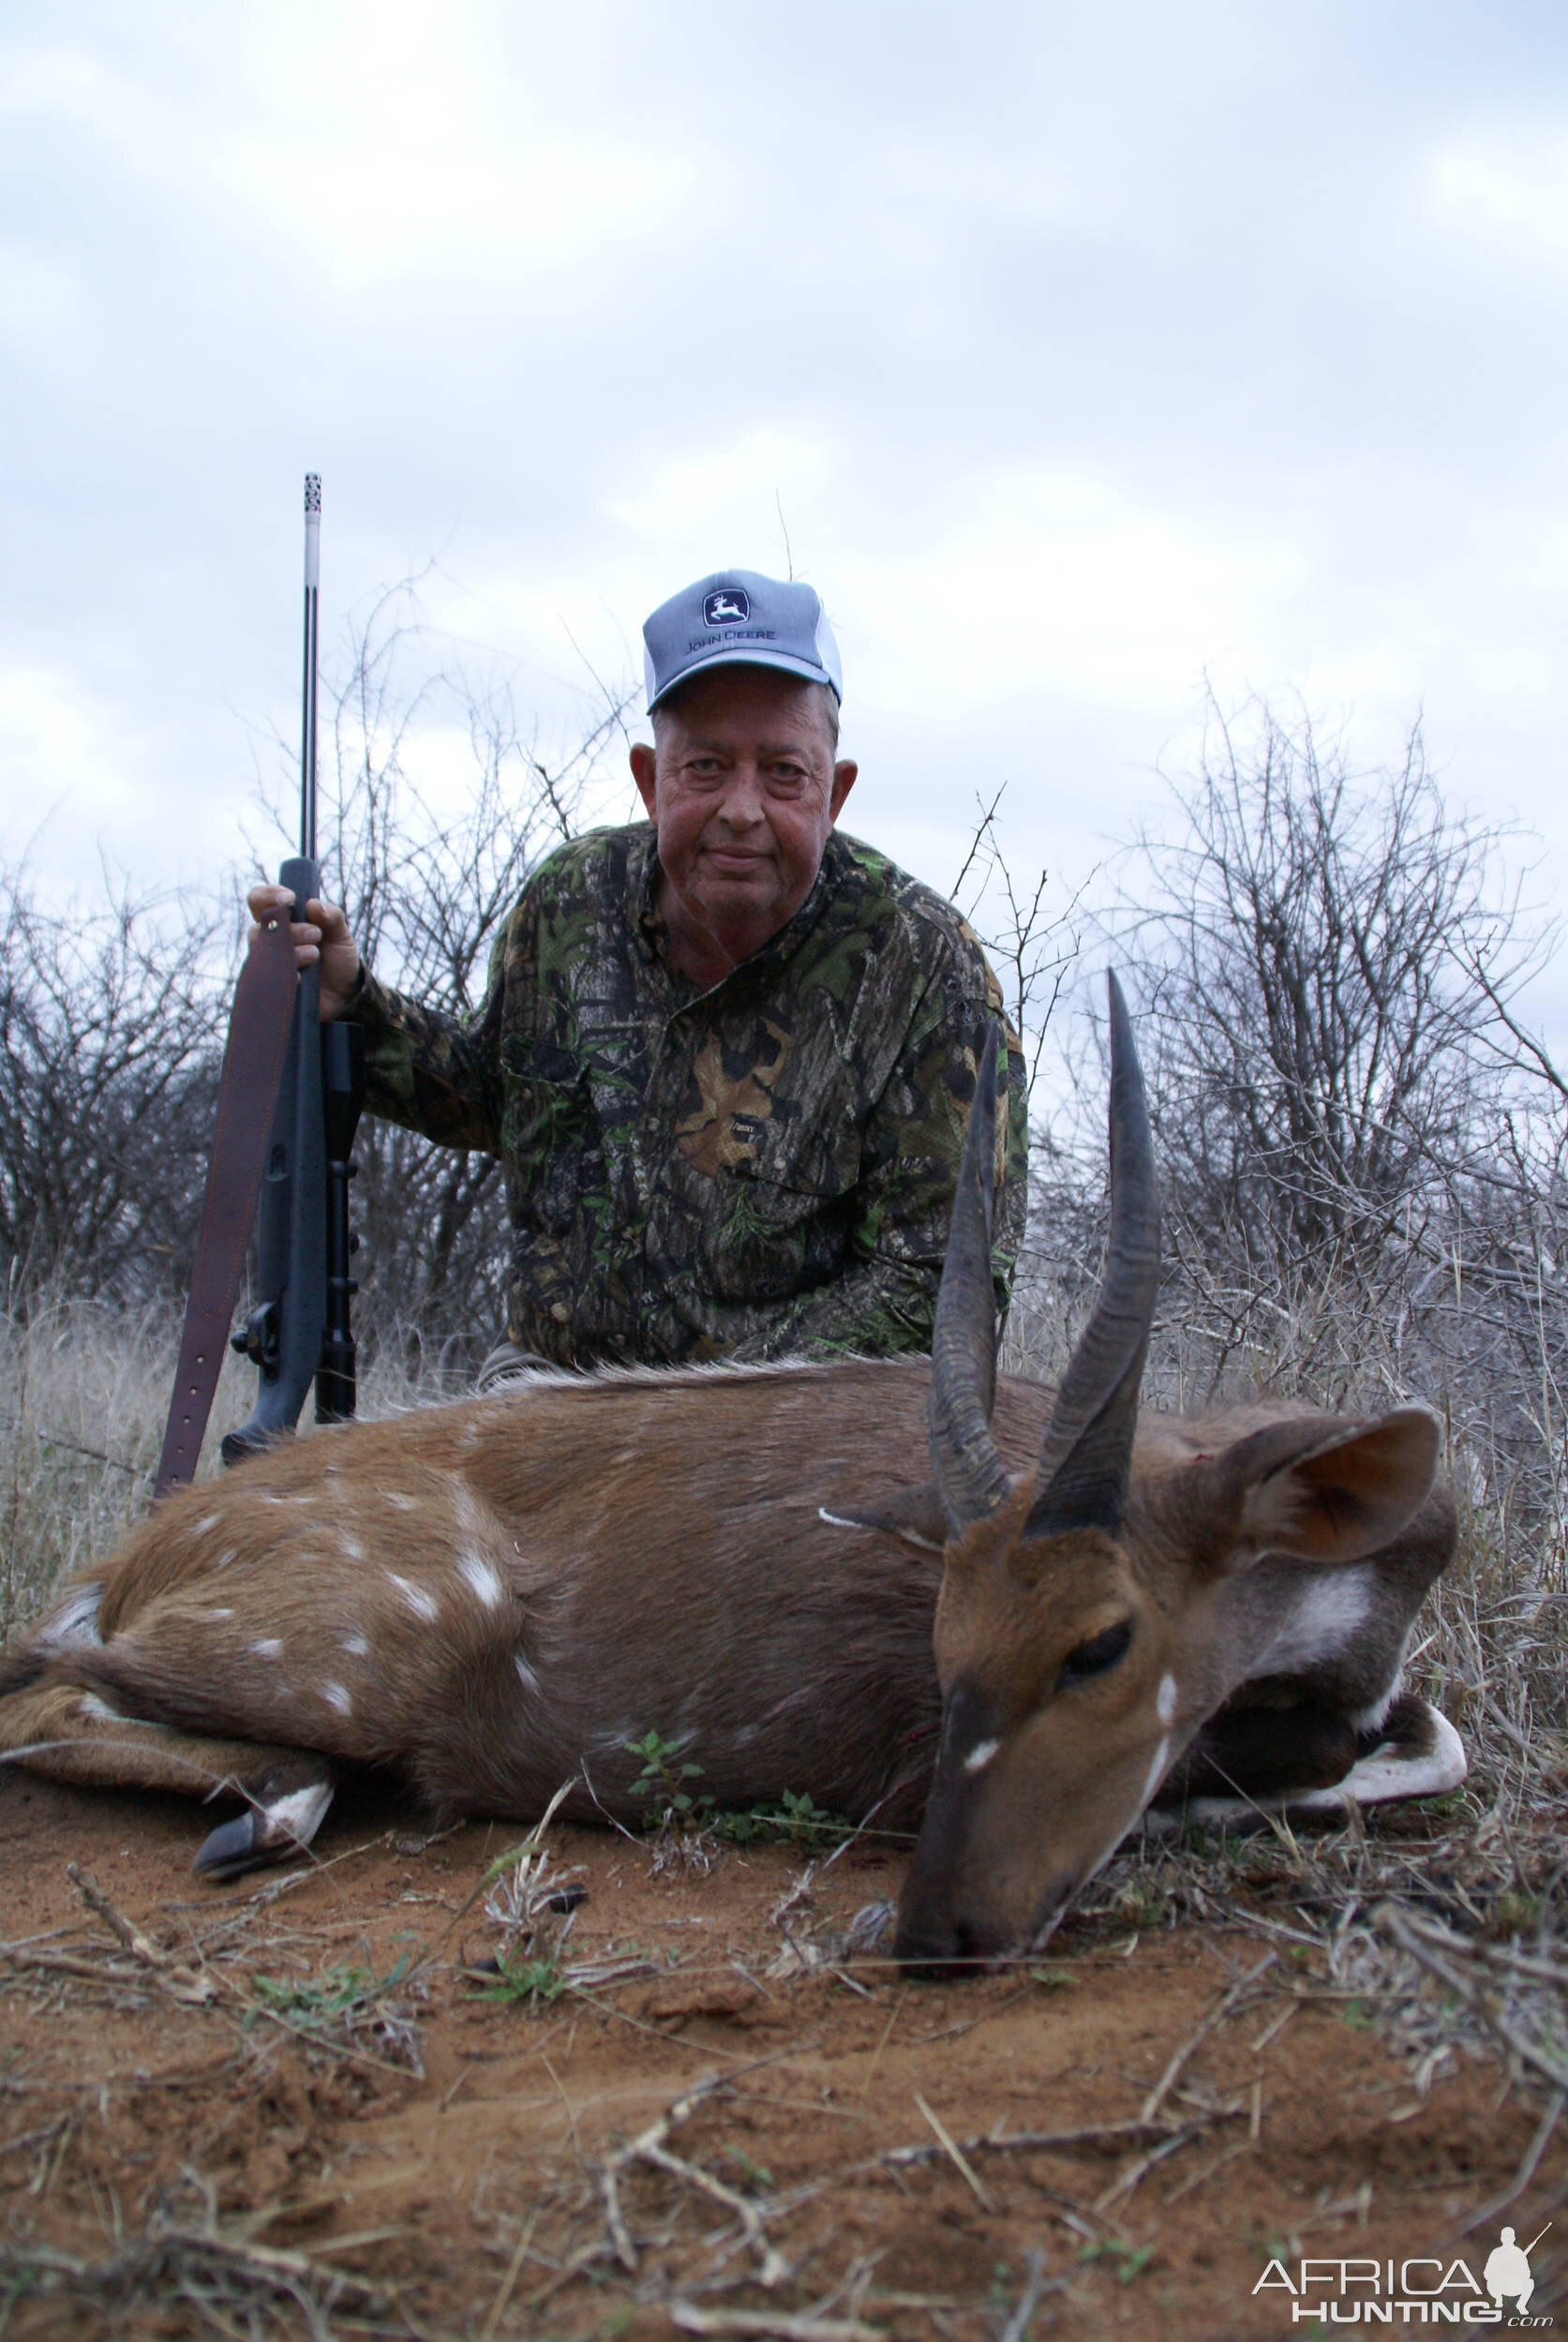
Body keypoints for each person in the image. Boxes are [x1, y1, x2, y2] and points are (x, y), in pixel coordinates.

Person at [248, 569, 1028, 1374]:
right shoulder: (566, 903)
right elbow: (490, 1096)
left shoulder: (925, 967)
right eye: (705, 767)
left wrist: (685, 1416)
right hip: (551, 1398)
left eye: (784, 773)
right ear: (650, 782)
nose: (741, 808)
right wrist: (353, 1010)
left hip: (799, 1436)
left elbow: (938, 1288)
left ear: (835, 793)